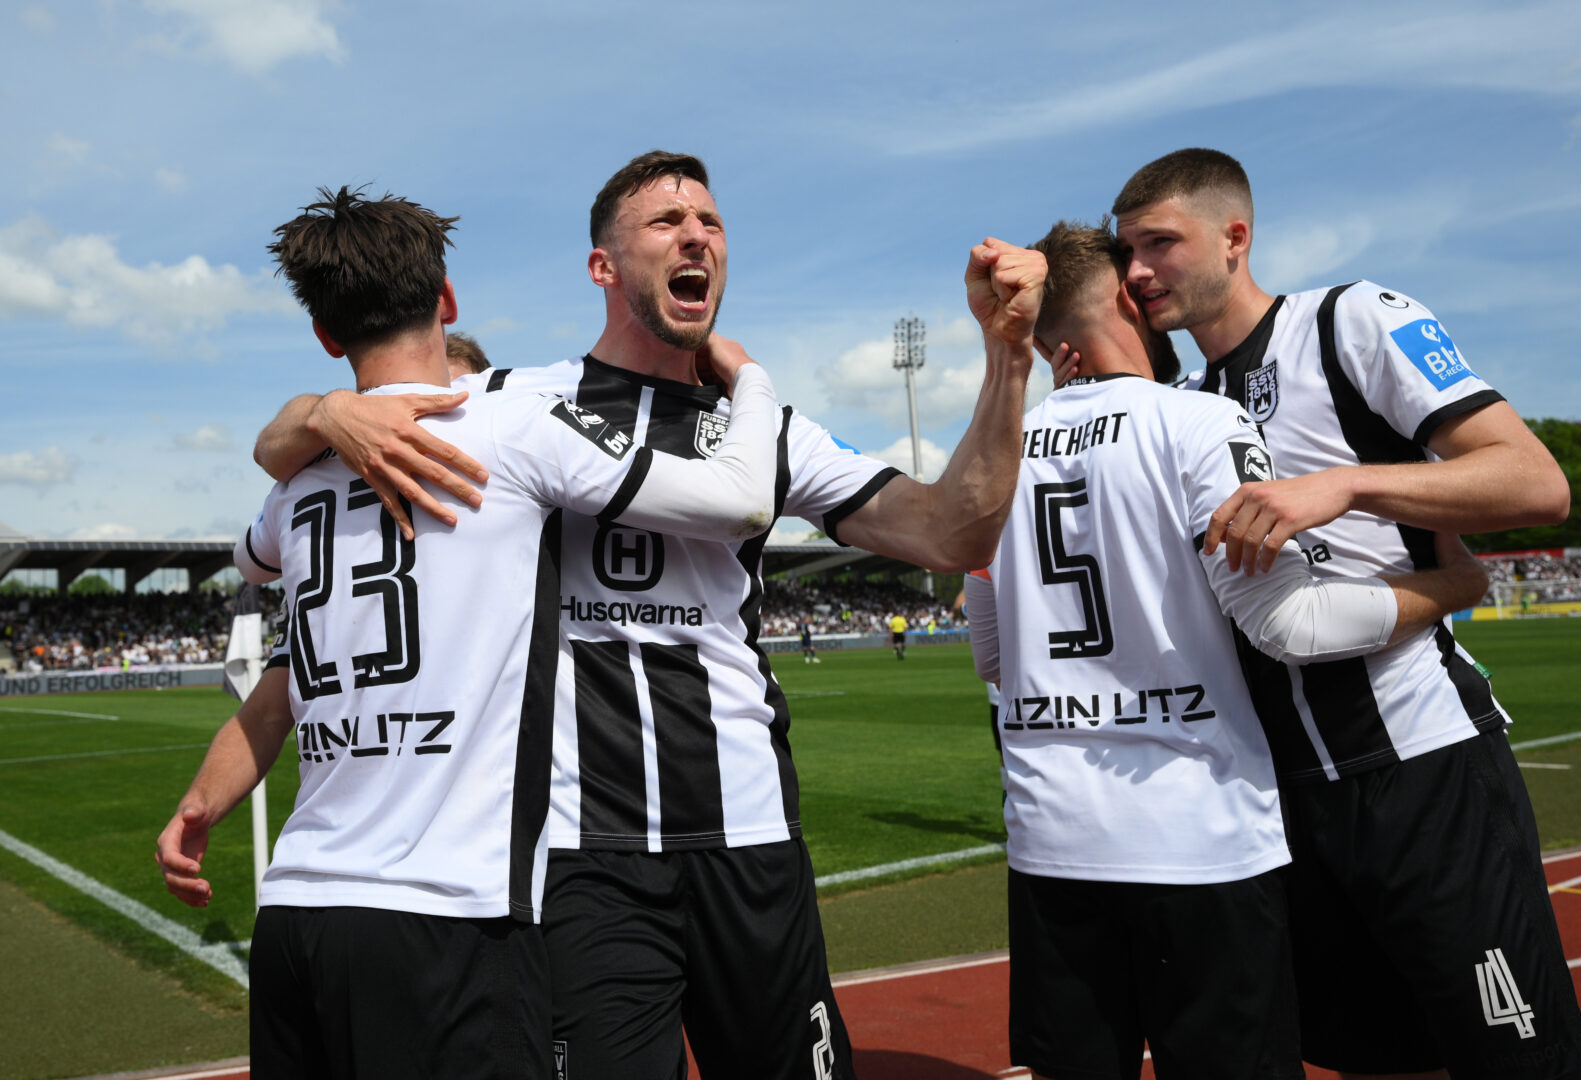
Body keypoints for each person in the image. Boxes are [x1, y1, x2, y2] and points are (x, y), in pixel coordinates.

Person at [246, 151, 1044, 1080]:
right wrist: (325, 411)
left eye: (711, 221)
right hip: (582, 856)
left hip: (748, 833)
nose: (696, 235)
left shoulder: (765, 428)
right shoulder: (512, 402)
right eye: (666, 222)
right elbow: (330, 426)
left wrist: (1008, 357)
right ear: (603, 266)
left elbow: (953, 532)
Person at [154, 185, 788, 1079]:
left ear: (327, 335)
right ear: (446, 300)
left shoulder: (294, 486)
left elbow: (250, 562)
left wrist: (318, 414)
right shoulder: (514, 426)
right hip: (449, 912)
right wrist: (749, 377)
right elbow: (742, 501)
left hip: (298, 910)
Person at [1112, 149, 1581, 1080]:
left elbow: (1536, 482)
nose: (1137, 271)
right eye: (1127, 252)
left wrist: (1344, 486)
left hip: (1421, 767)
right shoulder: (1183, 408)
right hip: (1284, 799)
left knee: (1522, 1059)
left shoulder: (1350, 321)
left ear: (1234, 236)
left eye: (1159, 244)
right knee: (1376, 1057)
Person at [970, 218, 1492, 1080]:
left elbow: (992, 657)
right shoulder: (1199, 420)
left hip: (1051, 837)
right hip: (1198, 836)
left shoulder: (995, 454)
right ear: (1121, 300)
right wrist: (1454, 587)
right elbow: (1291, 627)